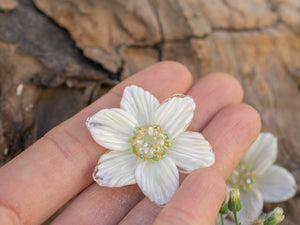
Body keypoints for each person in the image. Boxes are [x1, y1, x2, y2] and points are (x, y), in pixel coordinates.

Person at [0, 61, 261, 225]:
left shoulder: (179, 116)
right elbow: (105, 168)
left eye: (153, 136)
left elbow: (197, 144)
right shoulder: (118, 152)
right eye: (146, 136)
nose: (148, 138)